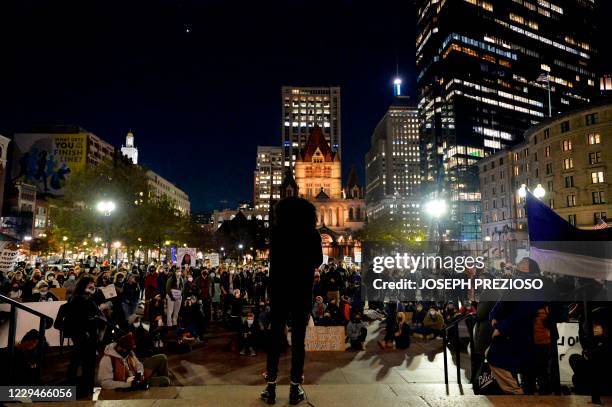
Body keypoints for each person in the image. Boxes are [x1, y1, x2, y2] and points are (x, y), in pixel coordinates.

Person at [261, 197, 322, 405]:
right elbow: (319, 260)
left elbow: (273, 259)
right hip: (301, 291)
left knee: (275, 337)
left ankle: (270, 388)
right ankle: (295, 389)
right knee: (298, 340)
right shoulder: (312, 234)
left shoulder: (277, 232)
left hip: (279, 291)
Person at [66, 276, 102, 397]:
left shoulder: (90, 298)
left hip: (90, 334)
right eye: (90, 284)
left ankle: (87, 386)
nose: (92, 286)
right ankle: (76, 387)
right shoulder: (77, 299)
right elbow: (77, 318)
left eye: (93, 284)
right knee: (80, 361)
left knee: (87, 362)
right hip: (82, 334)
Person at [98, 332, 170, 389]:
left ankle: (161, 388)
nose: (130, 352)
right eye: (128, 350)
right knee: (165, 380)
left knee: (162, 357)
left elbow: (138, 364)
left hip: (136, 377)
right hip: (128, 384)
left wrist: (140, 373)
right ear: (121, 348)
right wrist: (129, 384)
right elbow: (105, 383)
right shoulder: (107, 359)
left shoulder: (128, 352)